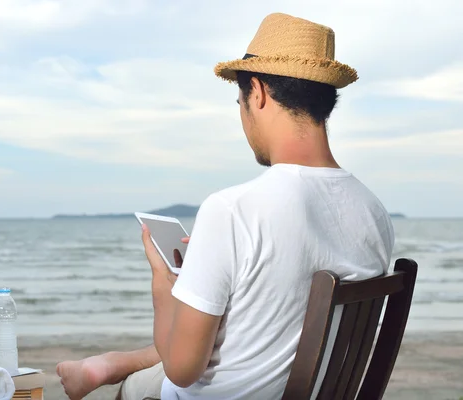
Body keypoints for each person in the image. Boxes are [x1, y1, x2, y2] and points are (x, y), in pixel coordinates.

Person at [56, 12, 394, 400]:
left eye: (240, 100)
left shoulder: (233, 209)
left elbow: (182, 370)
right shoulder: (375, 213)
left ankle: (108, 369)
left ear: (259, 93)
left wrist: (164, 283)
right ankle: (111, 364)